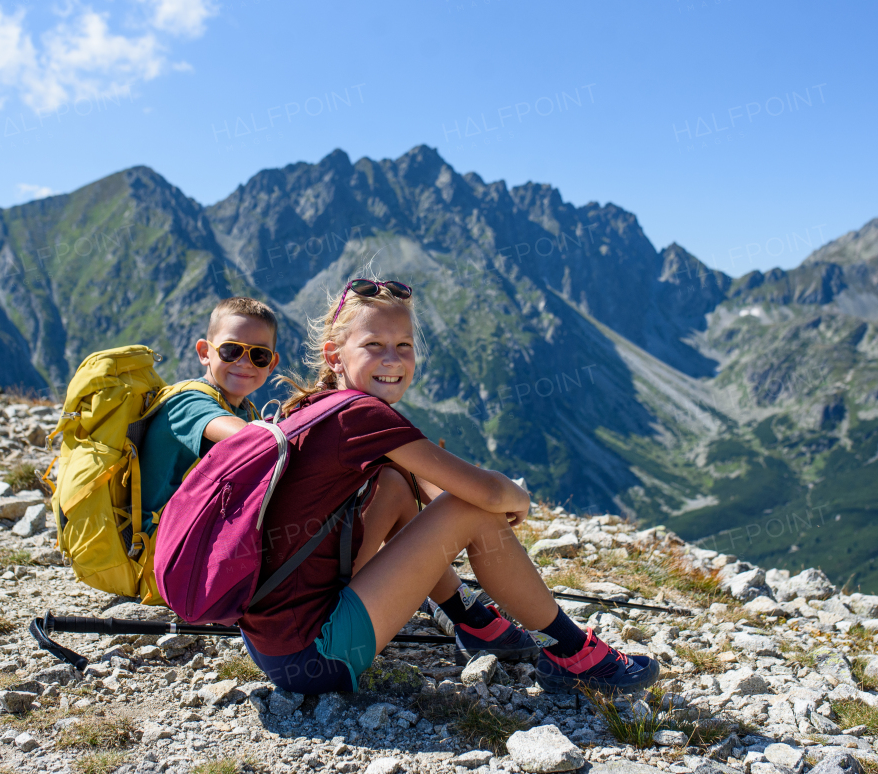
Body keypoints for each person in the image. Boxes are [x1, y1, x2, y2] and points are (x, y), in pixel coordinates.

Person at [238, 277, 659, 696]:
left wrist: (459, 524)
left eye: (404, 346)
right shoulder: (362, 415)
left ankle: (475, 623)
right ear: (335, 355)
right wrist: (516, 500)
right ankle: (571, 653)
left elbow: (426, 485)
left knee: (395, 484)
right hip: (318, 656)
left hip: (274, 646)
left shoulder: (318, 407)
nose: (393, 359)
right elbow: (487, 495)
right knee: (471, 506)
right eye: (374, 346)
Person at [139, 297, 280, 534]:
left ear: (271, 364)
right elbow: (251, 440)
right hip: (155, 549)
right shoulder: (188, 402)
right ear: (205, 352)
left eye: (259, 355)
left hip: (187, 536)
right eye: (231, 350)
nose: (245, 363)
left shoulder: (245, 410)